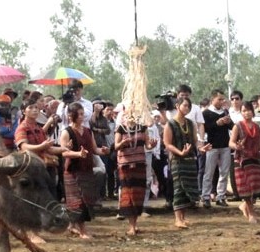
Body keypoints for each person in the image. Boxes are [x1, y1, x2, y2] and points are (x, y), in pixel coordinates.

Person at [15, 99, 69, 243]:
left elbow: (48, 148)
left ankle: (37, 229)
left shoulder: (38, 128)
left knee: (44, 198)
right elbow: (24, 147)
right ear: (24, 111)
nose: (35, 110)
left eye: (36, 108)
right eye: (31, 107)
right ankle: (30, 232)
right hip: (30, 169)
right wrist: (42, 146)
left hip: (42, 168)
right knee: (31, 200)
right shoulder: (22, 128)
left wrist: (64, 148)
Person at [60, 102, 110, 239]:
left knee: (86, 199)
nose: (82, 117)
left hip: (86, 169)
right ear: (71, 116)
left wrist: (103, 151)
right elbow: (63, 152)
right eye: (80, 114)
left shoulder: (88, 131)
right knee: (78, 201)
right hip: (73, 171)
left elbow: (94, 150)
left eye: (83, 114)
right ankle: (83, 231)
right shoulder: (66, 132)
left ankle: (71, 226)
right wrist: (77, 154)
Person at [164, 97, 211, 228]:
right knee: (179, 188)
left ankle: (183, 217)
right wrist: (180, 153)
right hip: (177, 160)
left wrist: (201, 148)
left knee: (187, 189)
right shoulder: (170, 124)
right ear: (177, 106)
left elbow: (195, 141)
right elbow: (167, 144)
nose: (187, 108)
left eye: (188, 106)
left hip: (190, 160)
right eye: (184, 105)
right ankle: (177, 219)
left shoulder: (191, 123)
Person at [229, 102, 260, 223]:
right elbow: (231, 143)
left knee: (256, 186)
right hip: (242, 160)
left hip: (254, 159)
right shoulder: (237, 126)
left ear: (252, 112)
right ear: (241, 113)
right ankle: (251, 213)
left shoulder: (257, 127)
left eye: (248, 110)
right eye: (244, 111)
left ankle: (245, 207)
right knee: (246, 188)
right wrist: (237, 147)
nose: (246, 113)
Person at [115, 115, 157, 236]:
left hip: (139, 164)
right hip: (125, 165)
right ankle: (131, 226)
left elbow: (147, 145)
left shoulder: (142, 128)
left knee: (138, 194)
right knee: (128, 194)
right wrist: (123, 143)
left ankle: (135, 225)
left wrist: (152, 146)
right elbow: (116, 146)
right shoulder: (121, 128)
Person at [201, 89, 234, 208]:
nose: (221, 101)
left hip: (225, 145)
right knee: (208, 172)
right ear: (212, 99)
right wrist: (217, 123)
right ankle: (205, 196)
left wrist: (228, 121)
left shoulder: (225, 112)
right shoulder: (206, 113)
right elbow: (205, 129)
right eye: (219, 99)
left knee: (224, 172)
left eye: (222, 99)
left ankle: (221, 196)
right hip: (211, 146)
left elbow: (232, 127)